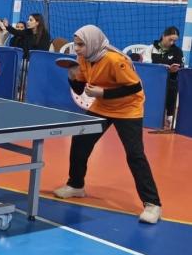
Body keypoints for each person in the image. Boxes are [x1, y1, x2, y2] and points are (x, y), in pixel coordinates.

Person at [53, 25, 162, 224]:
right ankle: (76, 185)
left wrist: (103, 93)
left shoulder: (115, 60)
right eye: (75, 44)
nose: (76, 48)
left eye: (80, 45)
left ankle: (152, 204)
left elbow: (135, 87)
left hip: (128, 108)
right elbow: (80, 90)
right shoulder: (84, 58)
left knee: (135, 154)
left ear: (93, 43)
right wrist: (72, 76)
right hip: (102, 107)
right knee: (80, 143)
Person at [145, 26, 184, 126]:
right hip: (152, 79)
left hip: (169, 79)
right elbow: (146, 65)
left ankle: (170, 116)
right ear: (163, 36)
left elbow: (181, 66)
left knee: (172, 85)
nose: (172, 43)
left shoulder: (177, 51)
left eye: (174, 41)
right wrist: (160, 67)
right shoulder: (151, 48)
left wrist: (175, 69)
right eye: (170, 39)